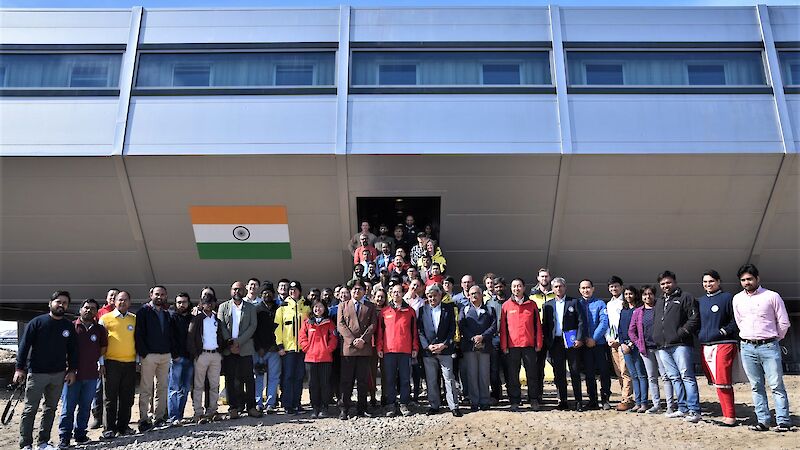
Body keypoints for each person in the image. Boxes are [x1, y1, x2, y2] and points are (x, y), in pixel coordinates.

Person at [15, 291, 78, 450]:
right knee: (30, 410)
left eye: (64, 303)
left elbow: (73, 351)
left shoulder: (68, 326)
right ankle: (26, 444)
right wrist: (19, 368)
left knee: (50, 409)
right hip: (37, 373)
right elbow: (24, 347)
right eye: (58, 302)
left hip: (58, 375)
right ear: (50, 303)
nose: (61, 305)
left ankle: (43, 442)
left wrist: (72, 370)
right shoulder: (37, 322)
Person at [732, 264, 792, 432]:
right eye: (743, 280)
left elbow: (783, 322)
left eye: (749, 279)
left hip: (769, 346)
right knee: (756, 385)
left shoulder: (772, 296)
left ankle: (783, 421)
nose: (746, 282)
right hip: (747, 347)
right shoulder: (737, 299)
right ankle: (763, 421)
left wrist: (774, 339)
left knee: (776, 384)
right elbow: (739, 321)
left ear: (757, 278)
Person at [653, 271, 701, 423]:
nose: (665, 286)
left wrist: (681, 332)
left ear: (674, 282)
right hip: (663, 346)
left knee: (687, 376)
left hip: (681, 344)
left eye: (668, 282)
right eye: (662, 284)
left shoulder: (685, 297)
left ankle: (694, 410)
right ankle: (682, 408)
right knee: (674, 377)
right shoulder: (660, 301)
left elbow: (694, 318)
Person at [58, 299, 106, 448]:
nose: (89, 310)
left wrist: (99, 363)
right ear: (80, 310)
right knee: (68, 407)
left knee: (85, 407)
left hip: (91, 375)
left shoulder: (99, 329)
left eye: (92, 308)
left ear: (96, 312)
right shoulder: (71, 327)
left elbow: (103, 348)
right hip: (72, 375)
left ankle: (80, 434)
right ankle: (64, 437)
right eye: (86, 308)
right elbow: (62, 349)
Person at [698, 270, 739, 426]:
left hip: (724, 343)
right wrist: (700, 334)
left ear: (719, 281)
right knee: (715, 381)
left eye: (711, 281)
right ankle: (725, 414)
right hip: (706, 345)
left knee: (723, 380)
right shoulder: (700, 301)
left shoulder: (727, 298)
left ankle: (730, 416)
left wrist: (722, 331)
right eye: (705, 282)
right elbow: (696, 322)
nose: (708, 284)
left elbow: (735, 320)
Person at [217, 281, 260, 419]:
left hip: (245, 348)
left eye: (240, 289)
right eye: (235, 289)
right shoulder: (223, 307)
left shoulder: (251, 308)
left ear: (244, 291)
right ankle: (233, 408)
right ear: (231, 291)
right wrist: (230, 342)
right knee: (231, 380)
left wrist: (238, 342)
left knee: (249, 379)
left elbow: (253, 326)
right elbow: (221, 325)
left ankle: (251, 407)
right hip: (229, 350)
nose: (237, 292)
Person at [629, 285, 674, 414]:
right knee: (652, 377)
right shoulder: (638, 312)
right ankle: (656, 405)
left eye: (650, 294)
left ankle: (670, 406)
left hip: (661, 348)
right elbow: (631, 331)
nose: (647, 297)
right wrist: (638, 343)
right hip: (646, 349)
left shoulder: (660, 308)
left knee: (666, 377)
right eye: (645, 294)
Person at [98, 290, 137, 439]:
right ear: (114, 302)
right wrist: (100, 363)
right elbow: (100, 344)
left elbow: (137, 340)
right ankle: (109, 428)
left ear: (130, 302)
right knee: (110, 397)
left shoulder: (134, 319)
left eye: (125, 300)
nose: (122, 302)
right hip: (111, 363)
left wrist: (138, 361)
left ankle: (123, 427)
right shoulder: (105, 319)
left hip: (130, 363)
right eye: (120, 300)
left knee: (127, 397)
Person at [418, 284, 461, 417]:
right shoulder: (422, 310)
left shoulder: (448, 308)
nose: (432, 298)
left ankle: (454, 406)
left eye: (435, 296)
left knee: (448, 378)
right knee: (431, 380)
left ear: (440, 295)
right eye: (430, 296)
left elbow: (452, 329)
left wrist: (444, 344)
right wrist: (427, 346)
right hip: (429, 351)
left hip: (445, 350)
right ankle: (434, 405)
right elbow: (420, 331)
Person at [337, 279, 378, 419]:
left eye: (359, 289)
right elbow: (341, 325)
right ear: (350, 291)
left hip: (364, 348)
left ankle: (362, 408)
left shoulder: (370, 306)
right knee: (346, 380)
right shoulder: (343, 305)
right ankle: (344, 408)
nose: (356, 291)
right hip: (349, 348)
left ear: (364, 291)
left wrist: (363, 339)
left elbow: (373, 325)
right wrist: (352, 340)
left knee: (363, 380)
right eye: (354, 289)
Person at [134, 285, 173, 431]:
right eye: (157, 294)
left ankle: (159, 418)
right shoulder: (143, 311)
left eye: (162, 294)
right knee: (146, 388)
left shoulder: (166, 312)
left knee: (162, 388)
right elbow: (139, 334)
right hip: (149, 356)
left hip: (165, 355)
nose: (159, 297)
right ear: (151, 294)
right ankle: (144, 419)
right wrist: (143, 353)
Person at [542, 278, 584, 411]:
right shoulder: (547, 305)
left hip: (572, 342)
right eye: (555, 287)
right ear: (552, 289)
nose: (558, 289)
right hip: (556, 343)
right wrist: (548, 342)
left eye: (560, 286)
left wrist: (579, 338)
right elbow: (546, 326)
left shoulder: (574, 302)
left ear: (565, 287)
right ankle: (563, 400)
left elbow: (581, 322)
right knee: (559, 373)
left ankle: (578, 400)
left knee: (575, 371)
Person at [377, 283, 419, 417]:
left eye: (399, 292)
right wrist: (379, 347)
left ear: (402, 293)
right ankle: (391, 404)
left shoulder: (410, 311)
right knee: (390, 379)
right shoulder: (384, 312)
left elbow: (414, 331)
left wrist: (415, 347)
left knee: (405, 379)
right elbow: (380, 332)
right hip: (389, 350)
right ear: (391, 294)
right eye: (394, 292)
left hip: (405, 350)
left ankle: (404, 403)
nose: (396, 294)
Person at [502, 278, 543, 412]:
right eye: (514, 286)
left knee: (532, 374)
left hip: (529, 345)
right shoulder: (506, 306)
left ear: (524, 288)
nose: (516, 289)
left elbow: (538, 326)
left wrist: (538, 343)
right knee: (513, 375)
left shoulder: (532, 305)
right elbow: (503, 328)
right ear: (511, 289)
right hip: (512, 346)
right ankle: (515, 400)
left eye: (519, 286)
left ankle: (533, 399)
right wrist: (504, 345)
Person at [187, 288, 228, 424]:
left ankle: (212, 410)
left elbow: (221, 336)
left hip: (215, 354)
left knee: (214, 384)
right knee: (198, 385)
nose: (209, 305)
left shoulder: (217, 318)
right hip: (202, 355)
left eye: (211, 302)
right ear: (201, 304)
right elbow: (191, 337)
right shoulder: (197, 319)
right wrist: (196, 354)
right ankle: (198, 412)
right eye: (206, 302)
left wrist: (220, 352)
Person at [275, 281, 311, 415]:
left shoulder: (306, 307)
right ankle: (287, 404)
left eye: (295, 289)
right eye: (290, 290)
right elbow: (277, 328)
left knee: (299, 376)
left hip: (302, 349)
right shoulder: (282, 307)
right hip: (288, 349)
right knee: (288, 376)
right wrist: (280, 345)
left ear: (300, 291)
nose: (292, 292)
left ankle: (297, 403)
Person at [299, 300, 338, 419]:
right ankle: (315, 407)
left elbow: (334, 338)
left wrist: (327, 349)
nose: (318, 309)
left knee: (325, 384)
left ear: (325, 309)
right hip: (310, 358)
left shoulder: (329, 323)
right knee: (313, 384)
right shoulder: (307, 322)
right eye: (315, 307)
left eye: (320, 307)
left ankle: (324, 407)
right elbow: (302, 337)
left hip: (325, 358)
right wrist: (307, 348)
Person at [459, 285, 496, 411]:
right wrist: (474, 338)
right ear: (468, 295)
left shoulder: (490, 310)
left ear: (482, 295)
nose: (474, 295)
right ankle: (474, 401)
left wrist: (482, 337)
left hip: (485, 346)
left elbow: (493, 326)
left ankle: (485, 400)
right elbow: (462, 326)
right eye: (472, 293)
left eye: (477, 293)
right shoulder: (464, 310)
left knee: (484, 375)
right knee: (472, 374)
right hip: (470, 347)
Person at [577, 279, 610, 410]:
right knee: (589, 373)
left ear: (593, 288)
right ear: (580, 290)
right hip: (584, 345)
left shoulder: (600, 303)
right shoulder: (577, 303)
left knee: (604, 372)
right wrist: (584, 339)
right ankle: (592, 400)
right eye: (583, 288)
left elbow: (603, 322)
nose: (586, 290)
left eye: (588, 287)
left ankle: (605, 398)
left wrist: (594, 339)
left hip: (599, 344)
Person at [90, 288, 119, 430]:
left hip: (117, 357)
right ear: (106, 298)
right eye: (111, 295)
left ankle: (114, 417)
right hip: (101, 356)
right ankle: (97, 416)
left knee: (114, 389)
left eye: (116, 295)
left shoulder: (124, 314)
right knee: (98, 388)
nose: (113, 297)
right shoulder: (100, 313)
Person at [606, 275, 634, 411]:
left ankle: (627, 398)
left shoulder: (626, 302)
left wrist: (621, 340)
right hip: (612, 342)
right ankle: (625, 396)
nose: (614, 288)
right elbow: (609, 323)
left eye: (616, 286)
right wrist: (609, 338)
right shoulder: (609, 304)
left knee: (625, 371)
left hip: (623, 341)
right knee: (618, 371)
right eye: (611, 286)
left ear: (621, 287)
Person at [253, 282, 281, 414]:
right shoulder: (256, 309)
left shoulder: (279, 308)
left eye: (269, 292)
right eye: (264, 293)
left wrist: (276, 345)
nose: (267, 295)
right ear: (261, 295)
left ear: (273, 294)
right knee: (258, 375)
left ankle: (271, 403)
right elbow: (254, 330)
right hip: (260, 350)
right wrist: (258, 347)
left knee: (274, 377)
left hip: (274, 349)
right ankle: (258, 402)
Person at [619, 286, 648, 413]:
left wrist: (631, 344)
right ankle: (637, 402)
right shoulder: (624, 310)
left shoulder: (639, 310)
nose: (628, 296)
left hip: (636, 345)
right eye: (626, 294)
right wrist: (622, 344)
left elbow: (639, 329)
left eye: (630, 293)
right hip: (625, 347)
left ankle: (644, 402)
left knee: (641, 374)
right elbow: (620, 329)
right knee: (633, 375)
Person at [529, 268, 554, 404]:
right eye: (542, 276)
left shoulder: (555, 293)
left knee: (557, 365)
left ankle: (561, 396)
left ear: (549, 278)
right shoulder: (532, 296)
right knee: (538, 367)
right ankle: (537, 395)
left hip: (553, 335)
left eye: (546, 276)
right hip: (537, 335)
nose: (544, 279)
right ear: (538, 278)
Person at [168, 292, 193, 426]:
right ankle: (173, 417)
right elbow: (170, 338)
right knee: (174, 388)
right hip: (177, 358)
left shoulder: (192, 319)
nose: (181, 305)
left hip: (189, 358)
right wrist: (174, 355)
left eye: (184, 302)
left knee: (185, 389)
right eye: (179, 302)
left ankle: (180, 415)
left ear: (188, 303)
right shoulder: (172, 318)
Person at [487, 277, 507, 403]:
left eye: (501, 286)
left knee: (509, 368)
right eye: (496, 287)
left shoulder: (510, 302)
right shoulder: (489, 303)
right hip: (494, 339)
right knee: (494, 369)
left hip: (508, 339)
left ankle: (513, 394)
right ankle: (496, 394)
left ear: (504, 287)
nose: (499, 289)